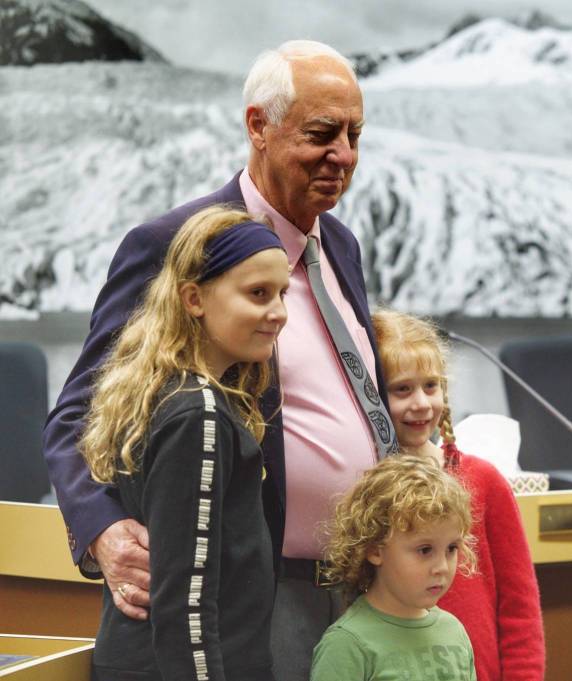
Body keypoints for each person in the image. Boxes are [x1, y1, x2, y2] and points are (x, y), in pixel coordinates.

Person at [42, 40, 395, 681]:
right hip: (255, 602)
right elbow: (77, 416)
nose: (344, 154)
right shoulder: (174, 244)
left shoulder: (340, 244)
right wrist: (102, 530)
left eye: (354, 135)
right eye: (322, 133)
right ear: (259, 126)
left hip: (363, 591)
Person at [81, 206, 288, 681]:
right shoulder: (200, 414)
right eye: (258, 293)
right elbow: (186, 605)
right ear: (194, 298)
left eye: (283, 293)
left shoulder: (171, 395)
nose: (278, 313)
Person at [371, 309, 546, 681]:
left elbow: (520, 607)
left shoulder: (483, 480)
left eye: (430, 386)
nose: (421, 403)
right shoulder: (367, 487)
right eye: (402, 389)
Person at [311, 454, 478, 680]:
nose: (442, 567)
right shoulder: (347, 644)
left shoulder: (454, 631)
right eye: (425, 550)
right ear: (375, 550)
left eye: (451, 548)